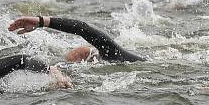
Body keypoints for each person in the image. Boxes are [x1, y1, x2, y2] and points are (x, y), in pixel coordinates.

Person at [8, 15, 145, 63]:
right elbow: (82, 29)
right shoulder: (114, 55)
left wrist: (42, 21)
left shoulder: (113, 55)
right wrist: (42, 21)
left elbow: (82, 28)